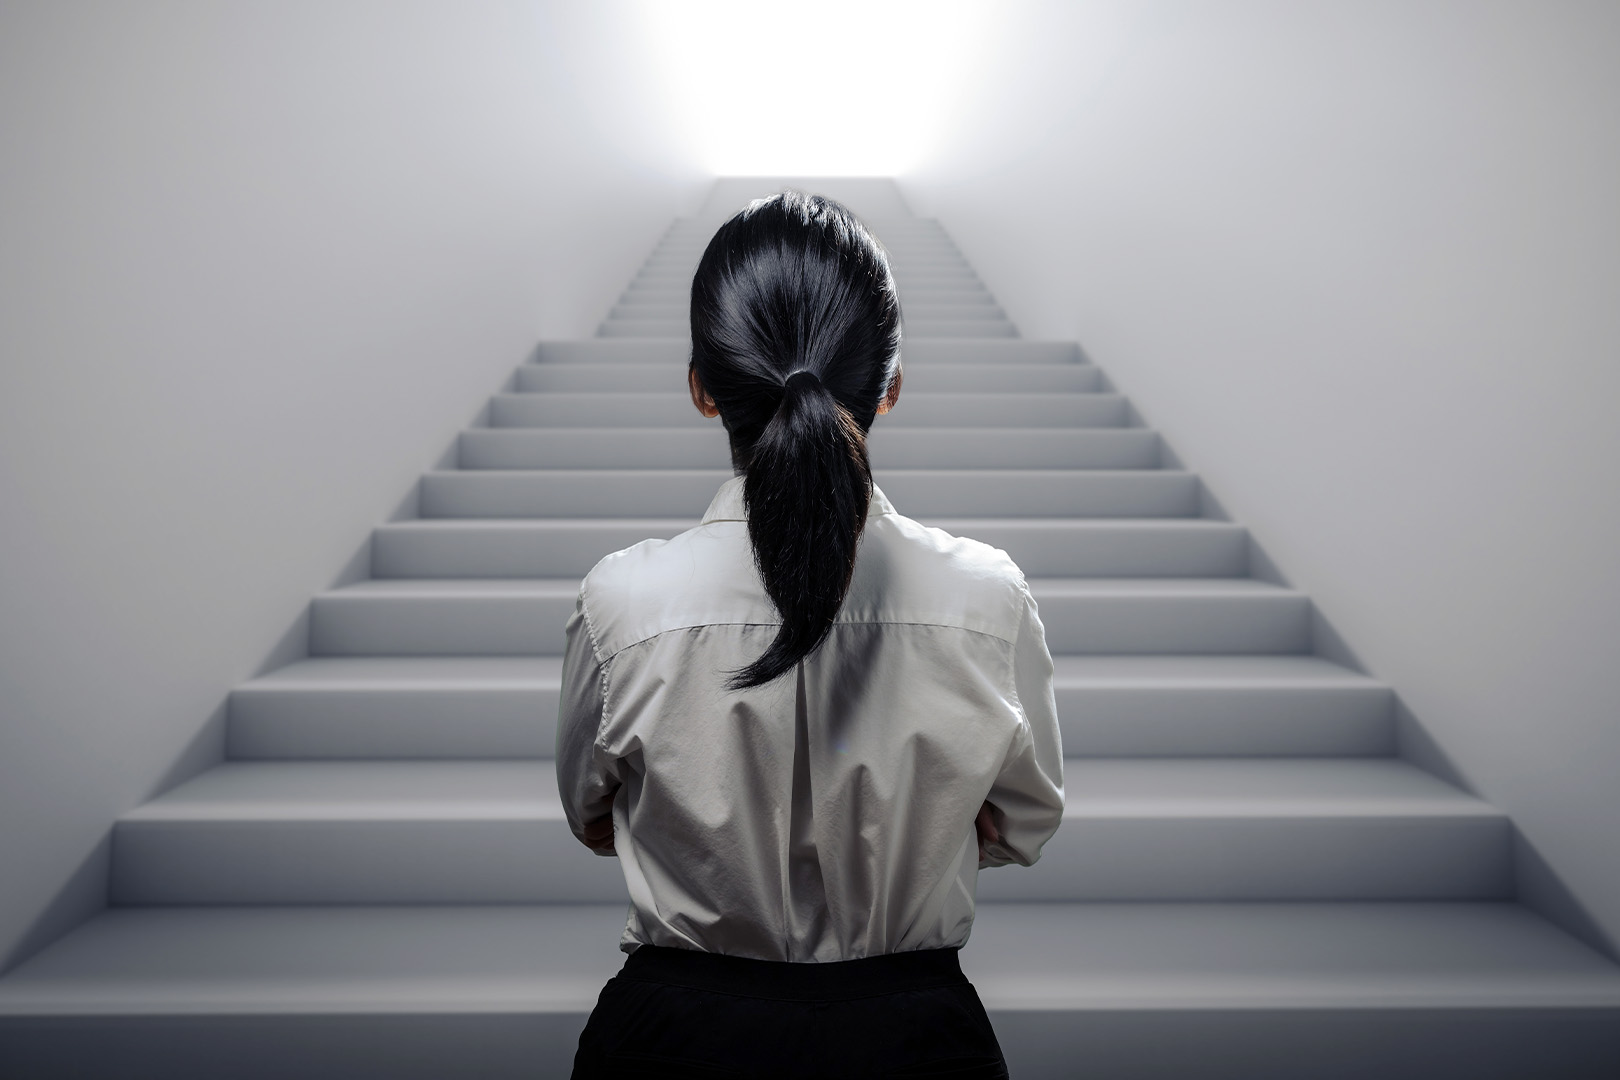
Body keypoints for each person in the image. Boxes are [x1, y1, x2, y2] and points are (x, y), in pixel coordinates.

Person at [557, 190, 1065, 1079]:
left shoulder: (621, 606)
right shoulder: (987, 602)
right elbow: (1022, 821)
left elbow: (592, 814)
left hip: (671, 1044)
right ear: (891, 386)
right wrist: (919, 821)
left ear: (703, 390)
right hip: (913, 1046)